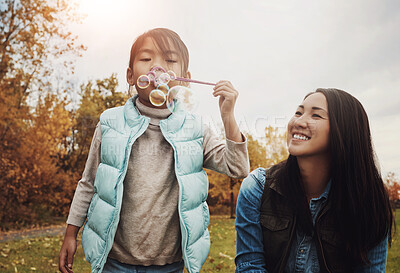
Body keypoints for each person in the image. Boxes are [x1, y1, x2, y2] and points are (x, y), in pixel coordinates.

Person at [58, 28, 250, 273]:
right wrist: (70, 234)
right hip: (114, 260)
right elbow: (88, 182)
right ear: (130, 75)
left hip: (169, 264)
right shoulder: (110, 122)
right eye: (146, 59)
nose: (157, 68)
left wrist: (228, 118)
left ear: (184, 78)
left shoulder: (194, 128)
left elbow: (238, 168)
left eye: (169, 60)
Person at [235, 88, 393, 273]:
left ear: (345, 130)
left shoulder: (369, 200)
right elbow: (249, 267)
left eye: (316, 115)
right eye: (298, 112)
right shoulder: (257, 188)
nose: (299, 121)